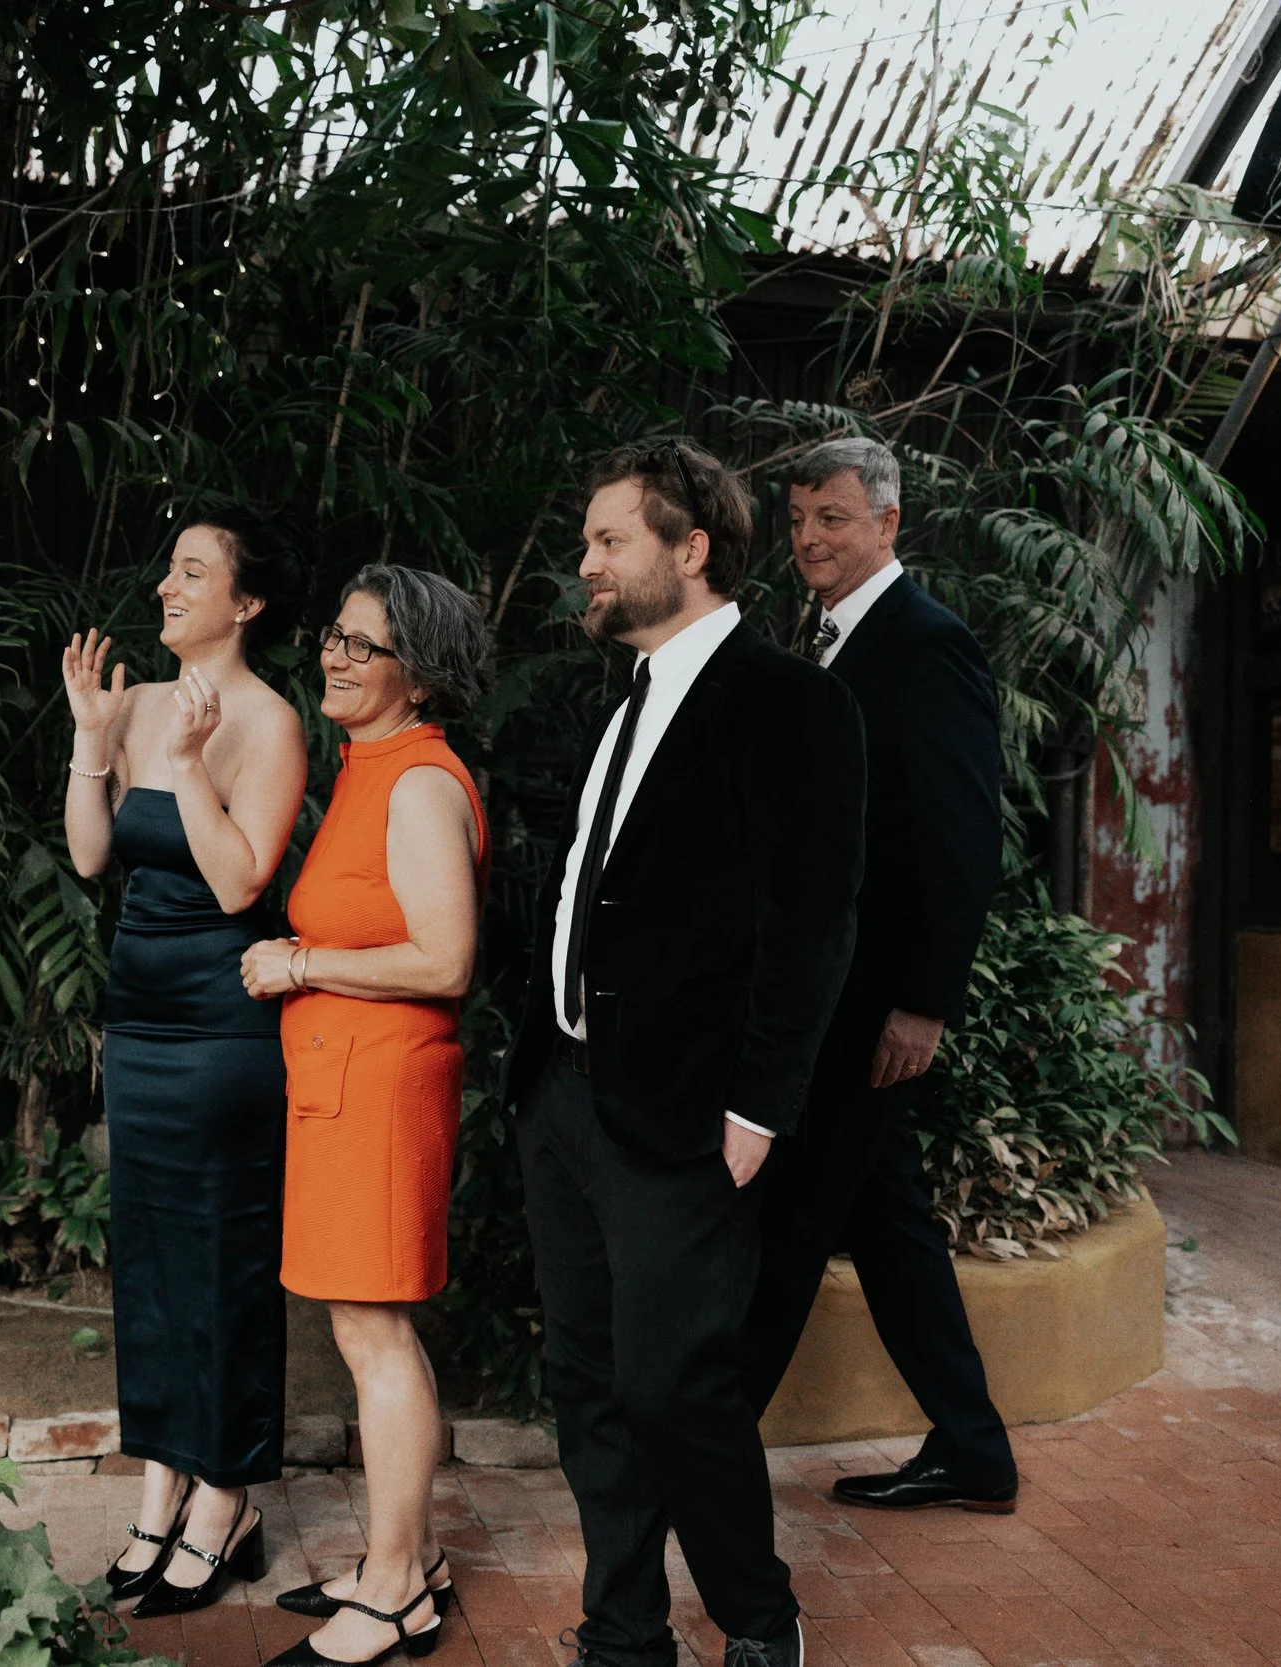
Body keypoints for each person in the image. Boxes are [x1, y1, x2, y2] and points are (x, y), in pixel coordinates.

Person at [507, 441, 865, 1667]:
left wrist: (758, 1108)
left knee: (676, 1387)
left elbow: (812, 922)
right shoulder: (621, 703)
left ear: (690, 546)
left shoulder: (789, 701)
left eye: (608, 539)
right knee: (590, 1385)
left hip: (685, 1112)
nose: (585, 563)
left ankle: (761, 1621)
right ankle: (624, 1631)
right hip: (564, 1095)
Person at [738, 436, 1016, 1513]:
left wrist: (923, 1002)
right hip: (821, 992)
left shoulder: (924, 643)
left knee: (790, 1220)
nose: (809, 537)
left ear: (888, 523)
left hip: (866, 1004)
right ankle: (974, 1447)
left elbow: (956, 840)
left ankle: (696, 1449)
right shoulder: (823, 638)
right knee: (888, 1224)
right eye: (800, 518)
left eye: (833, 518)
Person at [237, 564, 493, 1667]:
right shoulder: (364, 767)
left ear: (420, 672)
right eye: (333, 635)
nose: (334, 655)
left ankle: (393, 1591)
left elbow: (445, 957)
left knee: (375, 1330)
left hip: (383, 1090)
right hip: (341, 1085)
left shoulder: (421, 781)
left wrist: (297, 959)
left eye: (361, 644)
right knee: (362, 1328)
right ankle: (414, 1556)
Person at [61, 507, 310, 1617]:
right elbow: (89, 853)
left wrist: (192, 766)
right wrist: (91, 735)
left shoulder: (267, 719)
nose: (168, 585)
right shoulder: (139, 700)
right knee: (152, 1265)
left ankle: (228, 1496)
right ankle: (159, 1484)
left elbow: (237, 883)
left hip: (221, 1024)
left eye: (193, 572)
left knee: (221, 1261)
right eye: (169, 567)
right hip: (140, 1017)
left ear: (245, 603)